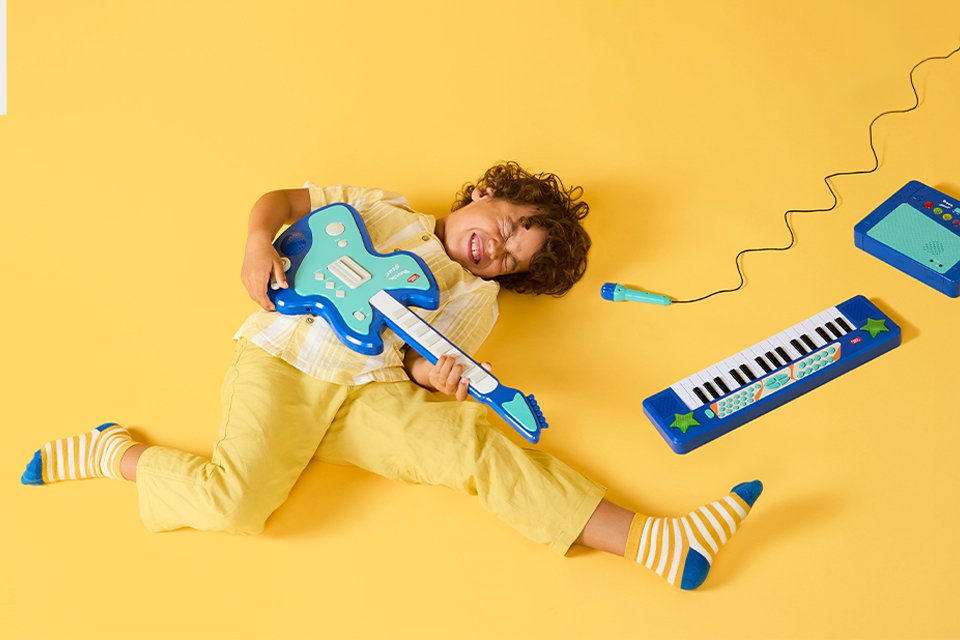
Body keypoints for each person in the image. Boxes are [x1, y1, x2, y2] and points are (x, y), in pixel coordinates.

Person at [20, 161, 762, 590]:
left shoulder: (477, 303)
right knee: (237, 506)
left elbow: (411, 362)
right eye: (505, 227)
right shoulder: (382, 209)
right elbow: (279, 201)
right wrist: (255, 243)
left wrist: (435, 378)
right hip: (285, 361)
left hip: (369, 394)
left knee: (471, 444)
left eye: (510, 258)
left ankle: (651, 541)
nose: (493, 250)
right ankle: (117, 454)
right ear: (485, 193)